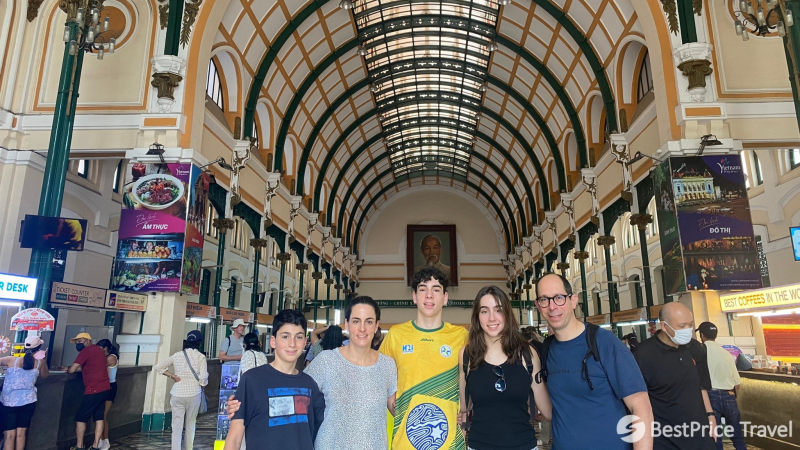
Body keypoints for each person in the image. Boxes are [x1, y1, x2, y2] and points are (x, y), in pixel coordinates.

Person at [535, 273, 654, 450]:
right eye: (544, 299)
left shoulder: (604, 343)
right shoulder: (547, 350)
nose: (552, 306)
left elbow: (641, 408)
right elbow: (554, 410)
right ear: (538, 306)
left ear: (573, 300)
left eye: (559, 298)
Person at [380, 266, 468, 450]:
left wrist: (468, 409)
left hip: (450, 441)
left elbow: (475, 378)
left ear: (445, 298)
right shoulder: (396, 335)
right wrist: (389, 397)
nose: (429, 295)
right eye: (422, 289)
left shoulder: (461, 336)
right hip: (405, 440)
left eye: (436, 289)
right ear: (414, 297)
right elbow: (378, 375)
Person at [458, 286, 552, 450]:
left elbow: (548, 411)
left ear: (507, 314)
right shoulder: (467, 355)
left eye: (498, 310)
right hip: (479, 445)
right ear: (477, 317)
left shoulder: (526, 354)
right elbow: (463, 410)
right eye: (484, 311)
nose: (492, 318)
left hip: (523, 444)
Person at [223, 309, 325, 450]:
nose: (292, 343)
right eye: (285, 336)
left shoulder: (309, 385)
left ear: (305, 342)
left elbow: (328, 422)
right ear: (273, 341)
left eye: (299, 337)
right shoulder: (251, 381)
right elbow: (234, 438)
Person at [634, 302, 716, 450]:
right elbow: (638, 401)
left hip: (700, 435)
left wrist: (710, 415)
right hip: (665, 437)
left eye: (690, 325)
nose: (688, 330)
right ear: (664, 326)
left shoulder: (696, 348)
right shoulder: (644, 354)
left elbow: (702, 386)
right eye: (682, 326)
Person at [154, 330, 208, 450]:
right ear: (199, 342)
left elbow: (158, 367)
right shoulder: (201, 357)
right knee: (190, 425)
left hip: (177, 393)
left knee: (176, 427)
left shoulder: (177, 355)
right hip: (194, 394)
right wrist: (202, 383)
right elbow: (203, 378)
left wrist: (172, 376)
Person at [697, 321, 745, 450]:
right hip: (729, 396)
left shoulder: (700, 352)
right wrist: (732, 398)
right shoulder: (727, 354)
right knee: (737, 436)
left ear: (701, 335)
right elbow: (737, 384)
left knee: (715, 436)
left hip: (710, 396)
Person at [0, 336, 49, 450]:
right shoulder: (39, 363)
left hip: (9, 402)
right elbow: (45, 375)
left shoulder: (12, 360)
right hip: (28, 401)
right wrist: (43, 359)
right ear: (38, 348)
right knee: (21, 434)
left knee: (9, 435)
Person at [66, 332, 111, 450]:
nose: (78, 344)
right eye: (76, 342)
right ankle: (95, 445)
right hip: (105, 388)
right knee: (99, 417)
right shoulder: (98, 350)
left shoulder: (86, 351)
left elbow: (72, 370)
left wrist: (68, 369)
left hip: (93, 389)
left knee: (80, 417)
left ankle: (79, 446)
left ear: (87, 341)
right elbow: (93, 365)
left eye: (80, 341)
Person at [94, 340, 119, 450]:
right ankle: (100, 440)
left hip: (110, 387)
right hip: (104, 386)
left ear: (105, 348)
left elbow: (98, 366)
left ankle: (105, 440)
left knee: (103, 415)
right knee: (100, 415)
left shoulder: (111, 357)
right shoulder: (105, 357)